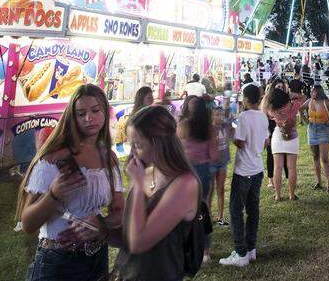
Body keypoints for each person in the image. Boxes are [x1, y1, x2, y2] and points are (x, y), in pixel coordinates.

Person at [19, 85, 124, 281]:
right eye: (81, 113)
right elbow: (28, 223)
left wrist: (101, 224)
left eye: (95, 110)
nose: (89, 118)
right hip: (58, 262)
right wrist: (53, 195)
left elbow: (119, 211)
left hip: (97, 258)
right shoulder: (54, 159)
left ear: (105, 111)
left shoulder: (109, 158)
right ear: (72, 118)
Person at [112, 105, 202, 281]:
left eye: (137, 145)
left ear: (158, 143)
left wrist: (137, 186)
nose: (132, 152)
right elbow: (130, 234)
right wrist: (101, 231)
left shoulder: (185, 184)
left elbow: (138, 242)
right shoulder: (146, 173)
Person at [220, 84, 269, 268]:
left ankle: (241, 253)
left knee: (235, 211)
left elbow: (240, 143)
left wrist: (231, 132)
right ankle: (250, 249)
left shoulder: (244, 117)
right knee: (253, 210)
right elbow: (266, 142)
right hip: (257, 169)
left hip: (243, 171)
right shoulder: (263, 117)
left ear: (247, 99)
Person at [177, 96, 216, 261]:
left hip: (186, 172)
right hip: (203, 171)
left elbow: (176, 151)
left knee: (183, 213)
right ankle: (205, 250)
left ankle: (185, 249)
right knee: (203, 212)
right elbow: (213, 155)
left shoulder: (182, 126)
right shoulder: (209, 129)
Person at [265, 83, 301, 201]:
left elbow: (265, 108)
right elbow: (303, 98)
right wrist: (291, 94)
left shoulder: (272, 110)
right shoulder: (292, 106)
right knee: (291, 168)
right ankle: (291, 195)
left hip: (278, 135)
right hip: (292, 135)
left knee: (277, 167)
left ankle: (278, 195)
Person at [302, 84, 329, 191]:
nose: (311, 93)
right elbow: (300, 108)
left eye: (312, 91)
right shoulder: (309, 101)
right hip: (312, 130)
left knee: (324, 158)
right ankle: (318, 182)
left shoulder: (325, 102)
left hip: (323, 130)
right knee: (315, 157)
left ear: (318, 92)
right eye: (311, 91)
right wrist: (305, 119)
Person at [209, 104, 233, 227]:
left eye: (222, 115)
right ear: (212, 116)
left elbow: (233, 133)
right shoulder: (209, 129)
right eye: (217, 115)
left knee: (221, 189)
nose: (220, 117)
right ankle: (207, 216)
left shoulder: (225, 126)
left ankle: (220, 217)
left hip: (222, 162)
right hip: (212, 163)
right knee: (210, 190)